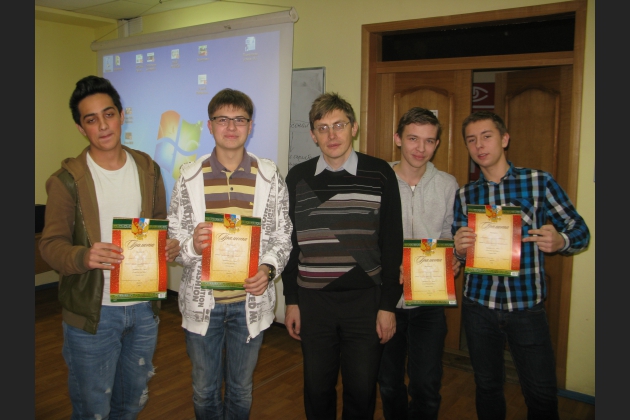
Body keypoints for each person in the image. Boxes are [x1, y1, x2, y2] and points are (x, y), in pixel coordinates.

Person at [39, 75, 181, 419]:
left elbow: (159, 223)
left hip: (143, 309)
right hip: (94, 313)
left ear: (121, 115)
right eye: (91, 120)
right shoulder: (66, 181)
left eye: (109, 114)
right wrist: (84, 256)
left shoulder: (148, 169)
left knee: (131, 403)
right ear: (81, 128)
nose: (103, 126)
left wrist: (168, 245)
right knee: (93, 409)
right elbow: (50, 245)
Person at [452, 111, 591, 420]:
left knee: (541, 394)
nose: (479, 145)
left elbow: (581, 231)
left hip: (526, 307)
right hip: (479, 306)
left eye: (486, 136)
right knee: (487, 387)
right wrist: (459, 250)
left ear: (504, 139)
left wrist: (561, 241)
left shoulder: (539, 182)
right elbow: (459, 253)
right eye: (471, 140)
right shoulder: (465, 194)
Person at [167, 88, 292, 419]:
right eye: (223, 119)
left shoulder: (269, 176)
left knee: (240, 389)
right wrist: (192, 245)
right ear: (210, 126)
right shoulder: (189, 177)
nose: (232, 127)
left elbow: (283, 235)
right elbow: (174, 241)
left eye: (240, 119)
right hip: (203, 305)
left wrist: (267, 270)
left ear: (250, 126)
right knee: (204, 389)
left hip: (249, 304)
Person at [282, 92, 404, 419]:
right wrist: (291, 300)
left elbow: (392, 243)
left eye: (339, 125)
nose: (331, 135)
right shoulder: (297, 178)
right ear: (313, 135)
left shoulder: (379, 173)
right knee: (317, 389)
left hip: (366, 302)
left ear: (354, 127)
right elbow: (289, 244)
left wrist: (387, 305)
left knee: (362, 390)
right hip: (313, 302)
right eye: (322, 128)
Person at [377, 107, 459, 420]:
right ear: (398, 139)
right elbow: (367, 238)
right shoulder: (379, 180)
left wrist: (454, 259)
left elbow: (449, 234)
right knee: (389, 381)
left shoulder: (447, 185)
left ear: (437, 144)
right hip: (387, 301)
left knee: (426, 383)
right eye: (413, 138)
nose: (420, 148)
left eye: (429, 141)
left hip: (429, 302)